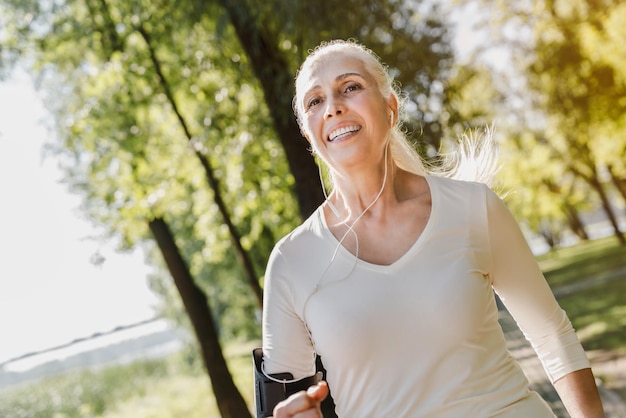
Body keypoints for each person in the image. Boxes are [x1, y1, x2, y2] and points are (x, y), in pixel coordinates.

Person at [261, 39, 605, 417]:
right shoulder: (291, 262)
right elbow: (282, 405)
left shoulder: (474, 208)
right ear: (309, 135)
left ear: (390, 108)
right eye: (315, 101)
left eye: (351, 87)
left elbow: (553, 337)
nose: (333, 107)